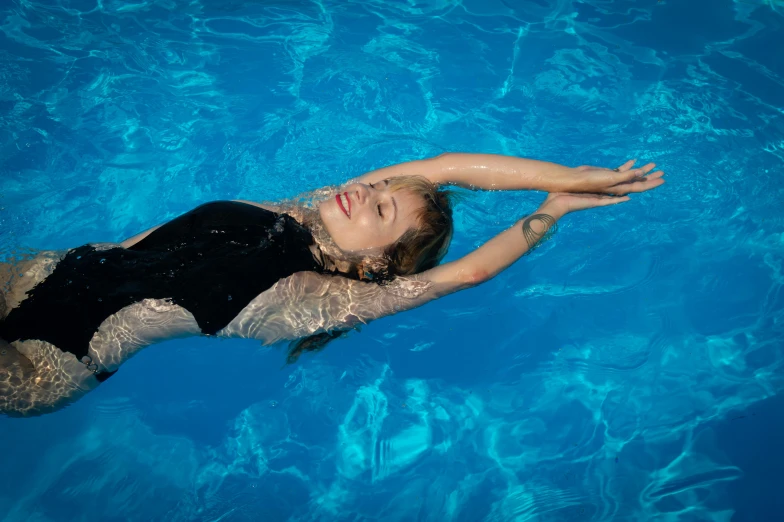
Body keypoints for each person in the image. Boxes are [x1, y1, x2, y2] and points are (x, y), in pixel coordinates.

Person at [0, 154, 664, 417]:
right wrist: (575, 173)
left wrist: (554, 207)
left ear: (378, 263)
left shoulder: (320, 300)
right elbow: (448, 165)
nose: (364, 192)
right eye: (376, 189)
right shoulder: (303, 208)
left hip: (50, 363)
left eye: (380, 210)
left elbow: (470, 272)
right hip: (45, 273)